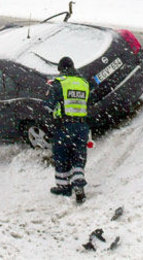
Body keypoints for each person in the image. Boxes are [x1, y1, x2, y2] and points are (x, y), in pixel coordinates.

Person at [43, 56, 91, 203]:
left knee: (62, 155)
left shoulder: (59, 83)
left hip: (64, 126)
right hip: (82, 126)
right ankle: (79, 185)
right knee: (79, 156)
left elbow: (48, 106)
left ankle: (64, 187)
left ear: (61, 69)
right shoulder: (84, 83)